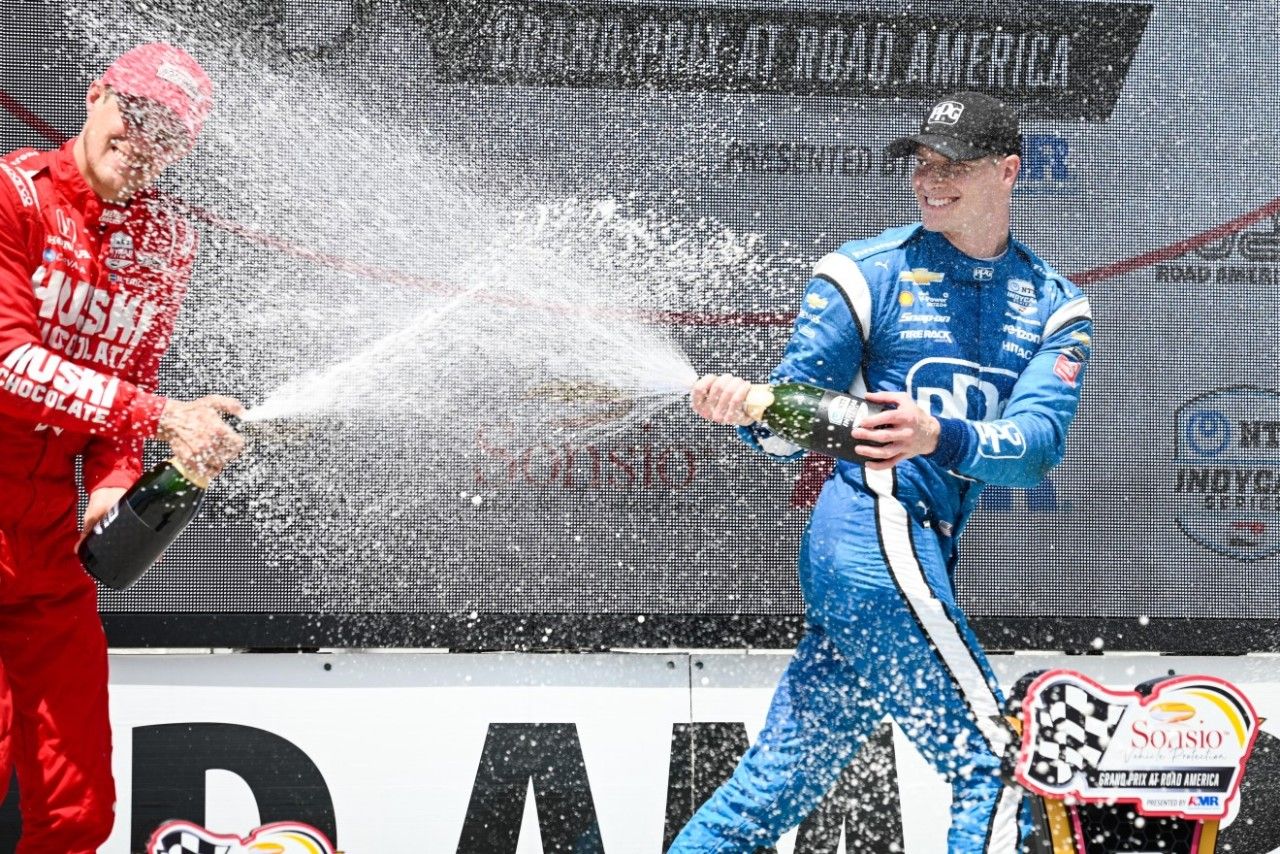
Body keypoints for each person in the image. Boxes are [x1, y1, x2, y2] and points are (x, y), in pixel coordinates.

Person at [675, 91, 1092, 852]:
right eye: (921, 164)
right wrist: (747, 412)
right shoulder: (862, 273)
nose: (930, 180)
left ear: (1008, 171)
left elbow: (1036, 448)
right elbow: (785, 437)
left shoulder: (1058, 308)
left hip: (909, 552)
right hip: (871, 537)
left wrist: (941, 433)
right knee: (998, 763)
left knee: (768, 793)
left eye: (953, 165)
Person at [0, 43, 244, 851]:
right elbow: (8, 362)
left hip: (49, 561)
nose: (140, 143)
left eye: (165, 135)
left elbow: (122, 403)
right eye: (132, 116)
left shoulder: (166, 244)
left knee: (79, 811)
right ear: (97, 94)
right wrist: (162, 413)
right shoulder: (11, 196)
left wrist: (116, 485)